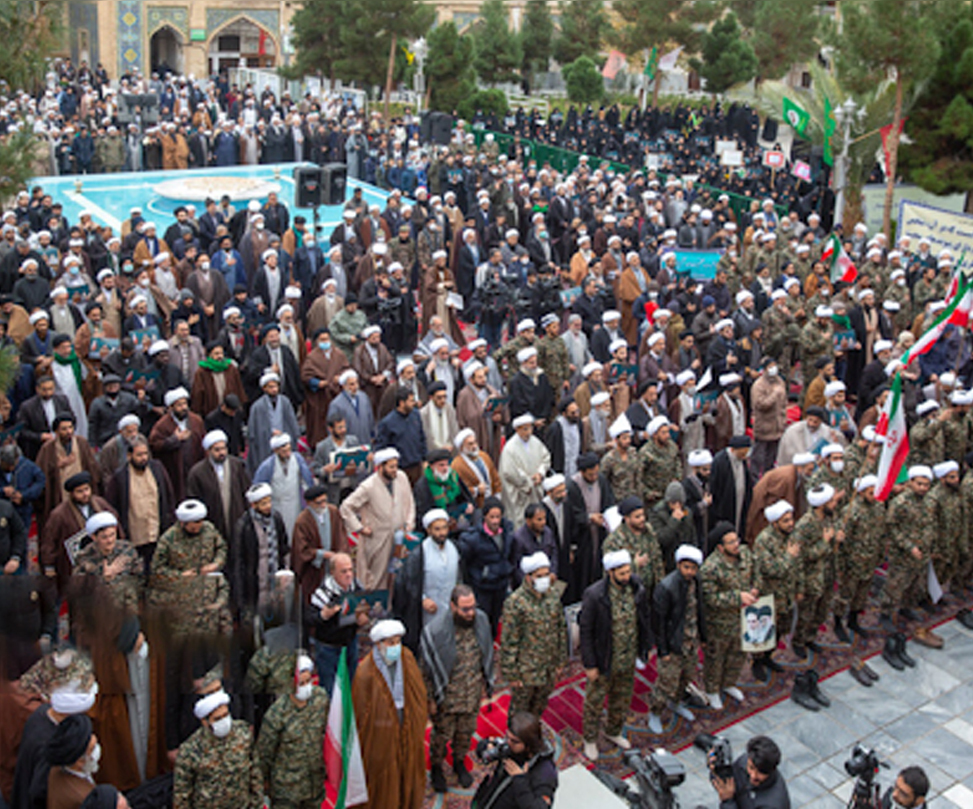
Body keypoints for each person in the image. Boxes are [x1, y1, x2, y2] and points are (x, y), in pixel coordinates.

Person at [420, 585, 495, 793]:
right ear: (453, 606)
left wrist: (485, 683)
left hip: (472, 695)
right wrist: (430, 699)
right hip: (447, 698)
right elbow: (425, 669)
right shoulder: (436, 631)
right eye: (465, 609)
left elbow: (487, 652)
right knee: (441, 736)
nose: (470, 613)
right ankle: (437, 767)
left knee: (465, 734)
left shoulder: (481, 621)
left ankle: (459, 762)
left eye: (473, 607)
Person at [579, 549, 652, 761]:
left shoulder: (636, 587)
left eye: (628, 572)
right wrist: (590, 664)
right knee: (595, 702)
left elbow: (643, 617)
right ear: (610, 572)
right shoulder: (595, 595)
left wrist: (645, 646)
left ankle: (614, 730)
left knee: (621, 698)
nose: (626, 577)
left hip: (627, 658)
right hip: (604, 659)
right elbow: (586, 631)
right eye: (622, 573)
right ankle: (590, 738)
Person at [351, 620, 428, 809]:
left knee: (408, 764)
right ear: (378, 644)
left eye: (398, 641)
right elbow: (361, 713)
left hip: (405, 721)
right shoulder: (365, 672)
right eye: (390, 642)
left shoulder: (407, 658)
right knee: (385, 773)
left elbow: (418, 693)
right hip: (380, 731)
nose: (395, 647)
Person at [255, 654, 329, 809]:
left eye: (308, 681)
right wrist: (265, 782)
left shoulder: (320, 699)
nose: (306, 686)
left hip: (314, 785)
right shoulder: (277, 713)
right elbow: (265, 752)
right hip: (287, 790)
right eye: (301, 683)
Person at [500, 552, 567, 719]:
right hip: (526, 672)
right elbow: (509, 641)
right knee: (520, 714)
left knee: (539, 707)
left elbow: (561, 628)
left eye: (546, 574)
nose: (544, 579)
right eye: (539, 576)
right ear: (528, 577)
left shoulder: (552, 595)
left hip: (548, 667)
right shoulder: (515, 602)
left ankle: (533, 733)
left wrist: (560, 661)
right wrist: (511, 674)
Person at [339, 447, 415, 591]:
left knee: (399, 578)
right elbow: (346, 507)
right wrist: (360, 528)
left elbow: (409, 502)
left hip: (400, 538)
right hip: (378, 541)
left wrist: (409, 523)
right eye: (391, 467)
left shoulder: (401, 477)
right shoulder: (368, 486)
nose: (395, 470)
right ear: (380, 467)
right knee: (377, 581)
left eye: (396, 466)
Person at [648, 544, 706, 733]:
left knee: (686, 676)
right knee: (666, 682)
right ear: (679, 565)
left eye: (693, 568)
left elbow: (700, 610)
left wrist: (703, 637)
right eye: (686, 567)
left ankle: (676, 702)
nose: (690, 572)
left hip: (691, 642)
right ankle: (655, 712)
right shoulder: (666, 587)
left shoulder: (696, 582)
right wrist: (663, 650)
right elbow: (659, 623)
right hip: (673, 644)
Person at [172, 690, 261, 809]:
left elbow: (255, 775)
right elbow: (181, 794)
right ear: (205, 722)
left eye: (226, 715)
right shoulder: (190, 750)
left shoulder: (243, 735)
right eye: (218, 718)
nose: (224, 721)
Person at [699, 522, 755, 709]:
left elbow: (755, 572)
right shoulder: (710, 568)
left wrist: (755, 588)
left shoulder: (744, 554)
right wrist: (737, 597)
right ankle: (712, 690)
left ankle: (729, 683)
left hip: (743, 617)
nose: (736, 544)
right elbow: (709, 598)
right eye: (731, 542)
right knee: (716, 658)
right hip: (719, 623)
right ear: (720, 547)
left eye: (736, 540)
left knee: (738, 654)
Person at [393, 509, 462, 651]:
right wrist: (422, 599)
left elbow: (460, 578)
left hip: (449, 609)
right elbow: (408, 584)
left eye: (444, 528)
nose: (442, 533)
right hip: (428, 612)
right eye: (437, 529)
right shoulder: (420, 554)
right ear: (429, 530)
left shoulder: (455, 549)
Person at [305, 552, 369, 693]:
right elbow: (309, 619)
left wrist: (362, 620)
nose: (349, 575)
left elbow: (364, 609)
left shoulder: (357, 588)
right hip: (328, 647)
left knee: (352, 686)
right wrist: (323, 615)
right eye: (343, 571)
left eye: (351, 570)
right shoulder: (322, 594)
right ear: (333, 573)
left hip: (350, 643)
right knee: (329, 689)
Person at [470, 712, 559, 809]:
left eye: (514, 741)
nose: (508, 742)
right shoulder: (512, 747)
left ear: (528, 745)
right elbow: (482, 752)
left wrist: (520, 780)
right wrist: (486, 746)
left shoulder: (545, 772)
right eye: (507, 737)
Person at [186, 429, 251, 544]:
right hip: (212, 525)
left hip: (237, 521)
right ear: (208, 451)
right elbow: (194, 499)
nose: (222, 453)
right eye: (217, 450)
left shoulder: (237, 466)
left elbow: (246, 492)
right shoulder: (197, 473)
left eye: (224, 448)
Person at [149, 386, 205, 502]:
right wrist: (174, 440)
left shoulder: (196, 421)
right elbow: (154, 445)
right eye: (179, 405)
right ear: (171, 408)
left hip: (195, 467)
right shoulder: (162, 425)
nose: (184, 408)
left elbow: (203, 442)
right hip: (175, 472)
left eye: (185, 404)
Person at [498, 415, 552, 530]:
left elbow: (546, 458)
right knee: (520, 524)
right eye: (525, 429)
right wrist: (528, 482)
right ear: (517, 430)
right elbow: (509, 472)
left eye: (530, 428)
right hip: (520, 493)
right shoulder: (510, 448)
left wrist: (540, 473)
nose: (528, 432)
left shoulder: (535, 442)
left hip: (535, 489)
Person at [709, 735, 791, 809]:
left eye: (760, 772)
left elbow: (727, 796)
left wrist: (728, 802)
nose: (753, 776)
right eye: (751, 767)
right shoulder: (744, 762)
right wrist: (717, 770)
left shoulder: (773, 805)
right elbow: (725, 784)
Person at [43, 713, 98, 809]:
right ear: (79, 761)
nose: (97, 750)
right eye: (92, 749)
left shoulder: (57, 767)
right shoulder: (82, 798)